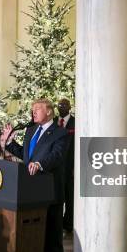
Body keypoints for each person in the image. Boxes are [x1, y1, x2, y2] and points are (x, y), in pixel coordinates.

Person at [2, 99, 68, 252]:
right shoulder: (31, 131)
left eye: (37, 109)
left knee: (53, 233)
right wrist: (8, 142)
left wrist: (40, 164)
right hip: (32, 191)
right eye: (33, 109)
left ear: (49, 112)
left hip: (51, 190)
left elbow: (56, 156)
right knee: (36, 232)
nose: (34, 112)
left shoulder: (60, 133)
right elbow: (25, 156)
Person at [55, 98, 75, 232]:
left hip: (70, 166)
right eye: (59, 105)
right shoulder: (53, 122)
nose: (61, 107)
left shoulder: (76, 123)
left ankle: (68, 223)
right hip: (55, 166)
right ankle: (56, 223)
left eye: (64, 105)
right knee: (56, 195)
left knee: (69, 196)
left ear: (69, 107)